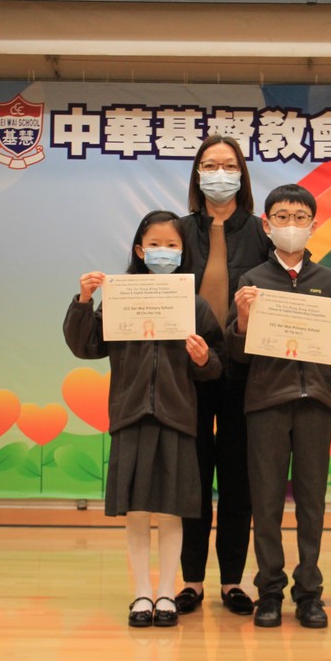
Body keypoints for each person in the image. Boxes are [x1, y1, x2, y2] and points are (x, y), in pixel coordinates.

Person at [63, 210, 224, 628]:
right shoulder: (119, 298)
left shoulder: (195, 305)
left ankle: (167, 593)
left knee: (172, 511)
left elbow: (216, 365)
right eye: (154, 245)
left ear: (183, 252)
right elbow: (86, 346)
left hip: (177, 416)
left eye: (172, 245)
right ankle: (141, 594)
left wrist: (204, 359)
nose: (163, 252)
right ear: (139, 250)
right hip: (131, 414)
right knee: (136, 511)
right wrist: (84, 301)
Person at [226, 184, 331, 628]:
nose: (291, 225)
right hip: (266, 402)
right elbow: (238, 355)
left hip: (316, 402)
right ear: (267, 225)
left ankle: (309, 592)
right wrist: (243, 320)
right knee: (265, 502)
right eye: (281, 217)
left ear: (313, 225)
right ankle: (269, 591)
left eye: (300, 217)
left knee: (311, 502)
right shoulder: (251, 281)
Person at [174, 135, 271, 616]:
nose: (219, 173)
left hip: (244, 371)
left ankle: (233, 581)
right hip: (188, 371)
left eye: (228, 165)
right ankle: (191, 581)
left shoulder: (261, 232)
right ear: (197, 173)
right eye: (209, 164)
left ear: (242, 174)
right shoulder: (176, 230)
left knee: (237, 479)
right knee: (191, 478)